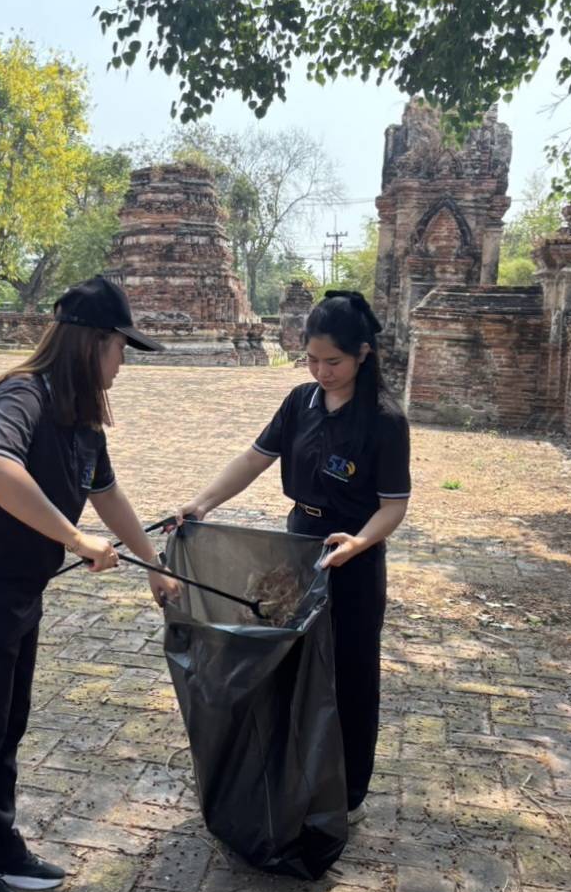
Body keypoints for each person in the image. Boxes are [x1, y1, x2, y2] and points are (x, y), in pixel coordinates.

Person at [0, 275, 180, 892]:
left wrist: (151, 567)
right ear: (94, 343)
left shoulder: (82, 417)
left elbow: (108, 496)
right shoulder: (20, 395)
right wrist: (73, 538)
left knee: (5, 728)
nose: (124, 363)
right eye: (122, 348)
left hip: (17, 590)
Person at [175, 290, 410, 825]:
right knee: (290, 666)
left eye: (335, 361)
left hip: (352, 559)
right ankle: (289, 771)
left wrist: (359, 541)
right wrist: (202, 502)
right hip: (297, 548)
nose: (322, 372)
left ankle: (345, 792)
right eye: (312, 359)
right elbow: (255, 459)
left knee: (348, 674)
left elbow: (393, 507)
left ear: (363, 355)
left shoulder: (383, 419)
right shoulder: (300, 402)